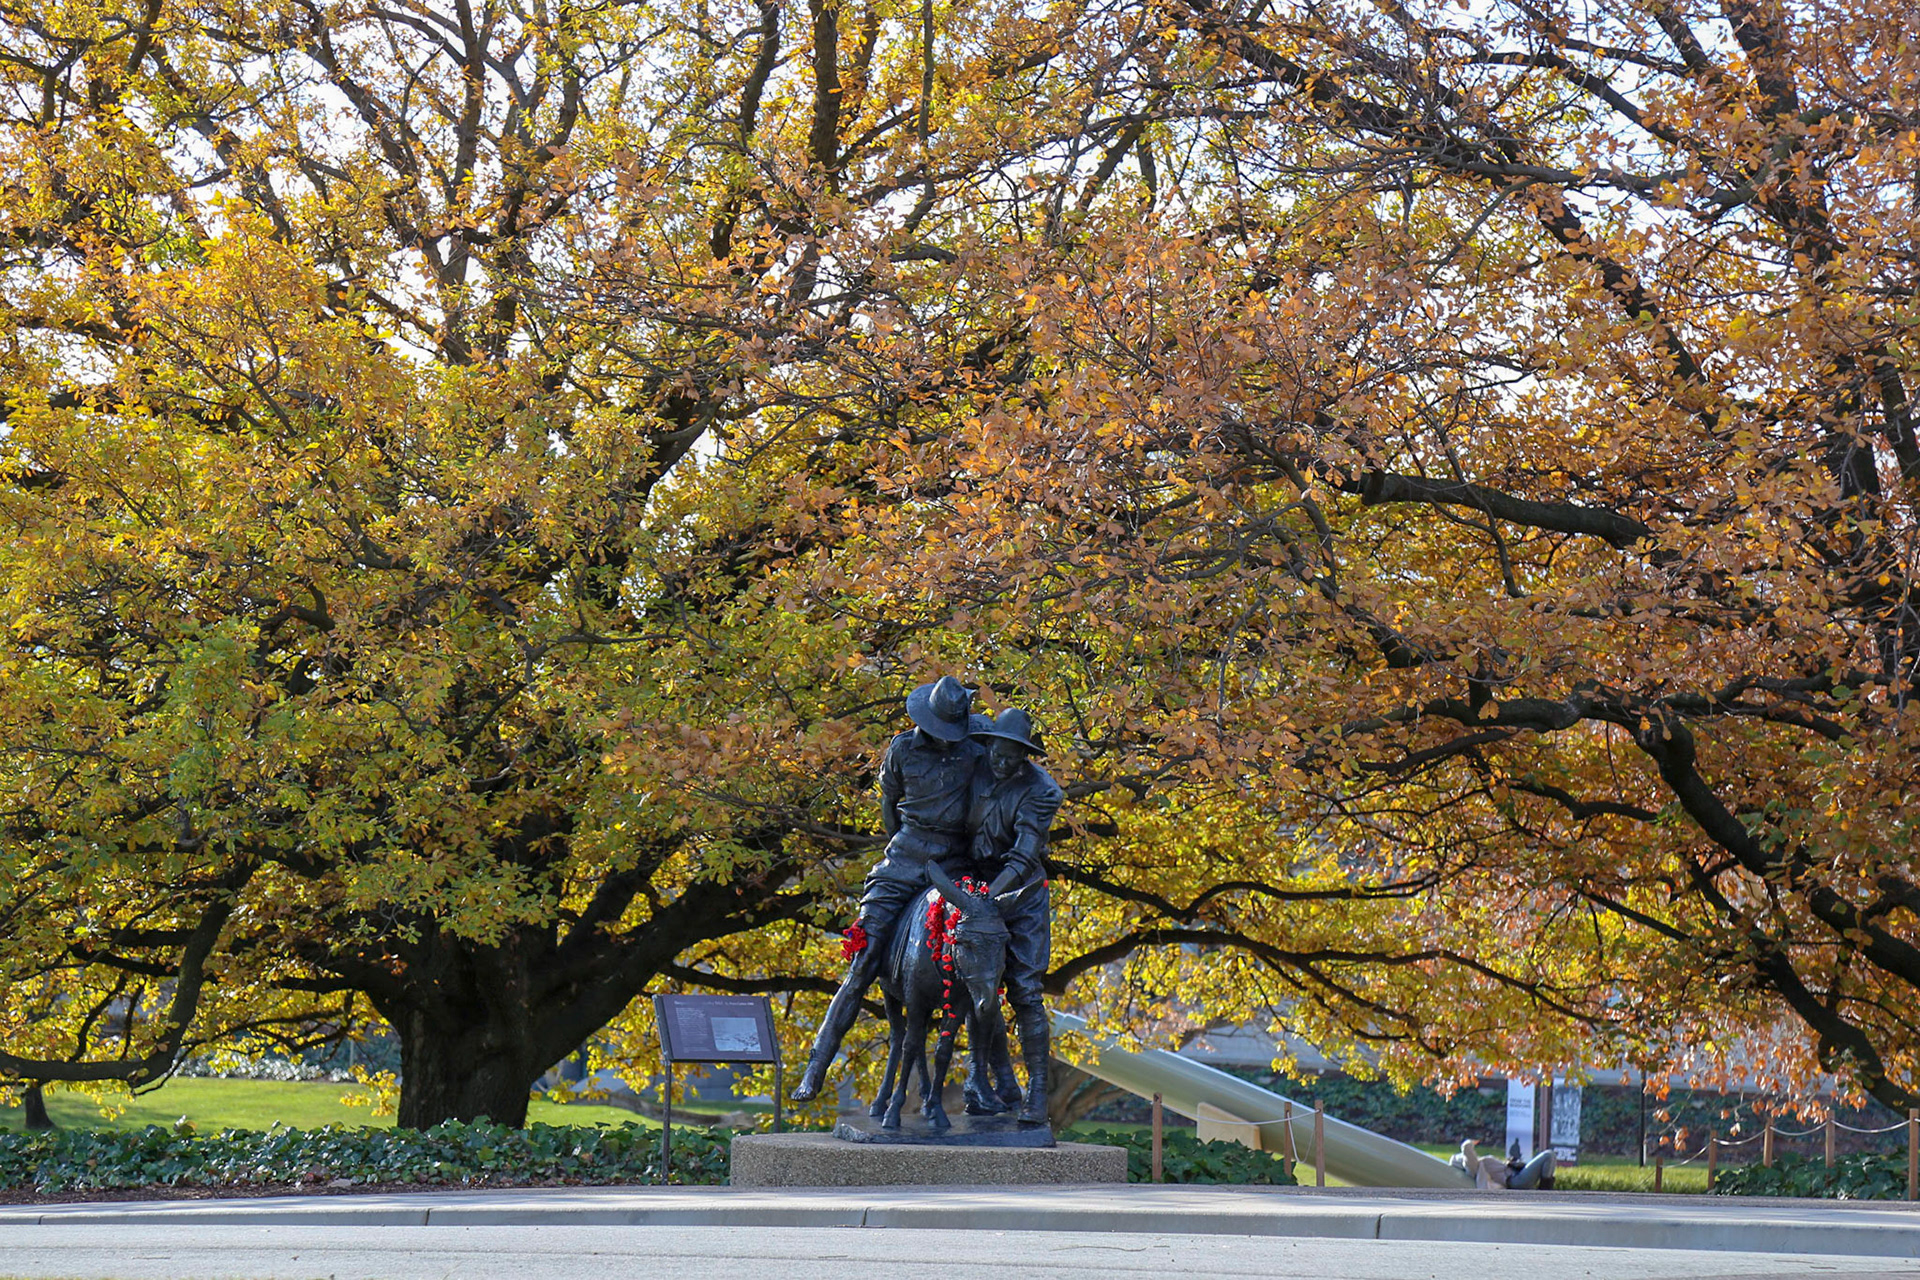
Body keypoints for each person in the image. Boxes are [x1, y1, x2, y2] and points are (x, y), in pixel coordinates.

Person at [792, 676, 984, 1102]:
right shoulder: (902, 749)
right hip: (905, 857)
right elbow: (889, 807)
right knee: (863, 961)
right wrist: (904, 847)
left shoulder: (976, 750)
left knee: (983, 950)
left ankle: (985, 1077)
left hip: (955, 863)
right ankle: (816, 1066)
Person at [960, 707, 1063, 1125]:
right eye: (996, 753)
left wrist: (986, 898)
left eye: (1010, 756)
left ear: (1024, 755)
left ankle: (1037, 1092)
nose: (1000, 762)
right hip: (975, 887)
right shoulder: (975, 769)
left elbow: (1023, 856)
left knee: (1025, 990)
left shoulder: (1042, 790)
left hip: (1020, 894)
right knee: (978, 986)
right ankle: (990, 1082)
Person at [1452, 1138, 1557, 1190]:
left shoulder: (1481, 1164)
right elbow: (1467, 1149)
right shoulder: (1476, 1167)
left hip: (1517, 1175)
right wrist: (1470, 1142)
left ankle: (1544, 1190)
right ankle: (1544, 1191)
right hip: (1515, 1180)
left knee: (1550, 1156)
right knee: (1548, 1155)